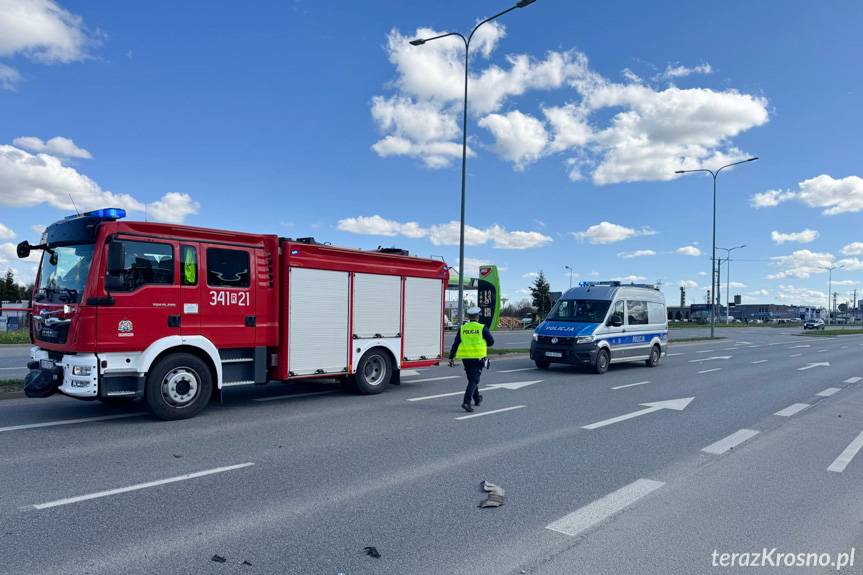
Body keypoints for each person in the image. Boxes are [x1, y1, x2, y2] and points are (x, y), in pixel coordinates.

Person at [449, 307, 494, 412]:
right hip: (478, 357)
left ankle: (477, 398)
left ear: (469, 317)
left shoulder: (463, 328)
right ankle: (466, 402)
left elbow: (456, 343)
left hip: (466, 358)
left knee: (472, 379)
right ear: (478, 316)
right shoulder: (482, 328)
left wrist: (451, 357)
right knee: (474, 380)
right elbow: (491, 342)